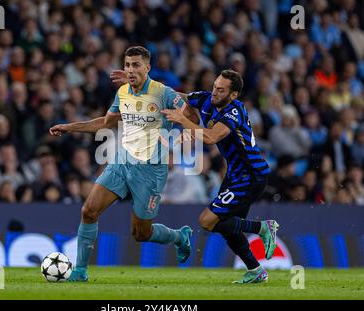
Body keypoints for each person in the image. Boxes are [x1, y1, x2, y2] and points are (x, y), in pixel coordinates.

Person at [113, 69, 279, 283]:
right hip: (236, 175)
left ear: (234, 95)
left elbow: (210, 137)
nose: (214, 93)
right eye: (214, 87)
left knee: (207, 221)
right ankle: (256, 270)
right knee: (228, 225)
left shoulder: (234, 112)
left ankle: (263, 228)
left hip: (250, 176)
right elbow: (174, 95)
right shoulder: (207, 99)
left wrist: (182, 120)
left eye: (221, 90)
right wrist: (140, 83)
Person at [49, 46, 192, 282]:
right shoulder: (123, 93)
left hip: (151, 172)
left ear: (148, 68)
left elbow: (193, 116)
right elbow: (105, 123)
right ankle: (80, 271)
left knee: (141, 233)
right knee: (89, 210)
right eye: (127, 65)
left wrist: (181, 120)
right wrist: (69, 127)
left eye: (136, 65)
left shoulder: (163, 93)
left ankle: (179, 237)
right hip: (122, 163)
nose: (130, 69)